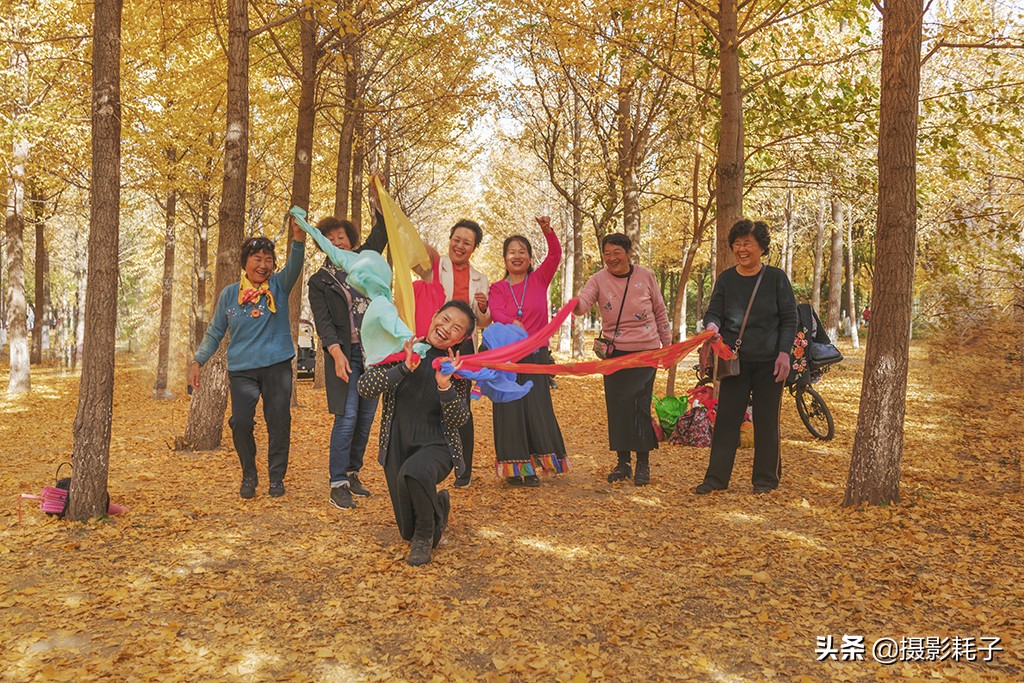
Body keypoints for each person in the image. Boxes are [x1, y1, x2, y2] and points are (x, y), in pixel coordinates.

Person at [189, 220, 307, 499]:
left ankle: (276, 478)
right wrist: (198, 361)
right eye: (257, 259)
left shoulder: (278, 286)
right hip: (242, 370)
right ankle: (249, 474)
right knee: (241, 422)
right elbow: (215, 331)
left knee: (279, 421)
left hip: (277, 367)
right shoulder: (230, 294)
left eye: (268, 260)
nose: (263, 265)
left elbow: (295, 266)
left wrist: (298, 240)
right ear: (245, 263)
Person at [357, 301, 475, 566]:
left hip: (438, 446)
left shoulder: (456, 369)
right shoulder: (402, 349)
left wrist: (445, 386)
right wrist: (405, 367)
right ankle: (438, 506)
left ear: (461, 339)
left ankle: (424, 538)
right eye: (445, 319)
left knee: (415, 472)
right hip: (398, 446)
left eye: (456, 328)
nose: (446, 328)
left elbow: (460, 419)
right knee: (405, 530)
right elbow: (365, 388)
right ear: (434, 316)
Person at [695, 219, 797, 495]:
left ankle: (766, 479)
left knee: (766, 421)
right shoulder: (726, 279)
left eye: (747, 243)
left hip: (770, 363)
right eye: (737, 244)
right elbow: (714, 311)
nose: (741, 249)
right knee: (727, 419)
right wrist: (712, 326)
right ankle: (715, 479)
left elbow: (790, 318)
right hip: (734, 361)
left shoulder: (776, 278)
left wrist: (784, 353)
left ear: (761, 247)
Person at [307, 179, 388, 511]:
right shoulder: (319, 280)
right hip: (345, 355)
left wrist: (378, 201)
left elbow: (381, 233)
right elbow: (324, 322)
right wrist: (336, 353)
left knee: (366, 417)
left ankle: (353, 473)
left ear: (351, 241)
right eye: (329, 239)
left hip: (374, 353)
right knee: (347, 416)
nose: (336, 242)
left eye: (341, 237)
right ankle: (337, 483)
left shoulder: (364, 263)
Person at [574, 233, 671, 486]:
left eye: (617, 252)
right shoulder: (598, 279)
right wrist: (573, 305)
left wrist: (668, 345)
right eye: (607, 253)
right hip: (614, 354)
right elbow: (584, 303)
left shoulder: (646, 276)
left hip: (645, 352)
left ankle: (643, 463)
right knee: (617, 407)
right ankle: (623, 462)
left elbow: (660, 311)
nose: (612, 257)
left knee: (640, 406)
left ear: (628, 253)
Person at [487, 216, 568, 487]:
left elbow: (555, 255)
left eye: (522, 251)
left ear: (530, 259)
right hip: (507, 357)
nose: (517, 256)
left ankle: (532, 467)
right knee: (509, 409)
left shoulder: (539, 280)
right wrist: (511, 323)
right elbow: (496, 312)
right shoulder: (497, 288)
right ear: (505, 259)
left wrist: (547, 230)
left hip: (535, 356)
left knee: (535, 409)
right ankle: (513, 469)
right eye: (512, 252)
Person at [432, 219, 491, 488]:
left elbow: (483, 320)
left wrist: (483, 307)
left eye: (467, 242)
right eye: (456, 239)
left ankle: (463, 470)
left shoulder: (481, 279)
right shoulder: (435, 266)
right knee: (430, 401)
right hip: (433, 342)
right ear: (449, 240)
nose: (460, 246)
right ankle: (431, 462)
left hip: (463, 347)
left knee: (460, 407)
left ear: (474, 248)